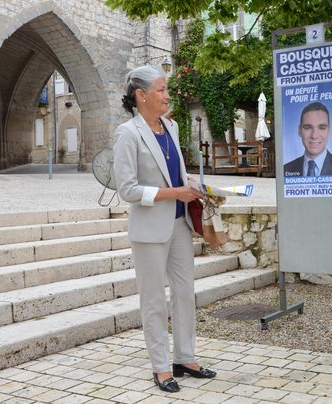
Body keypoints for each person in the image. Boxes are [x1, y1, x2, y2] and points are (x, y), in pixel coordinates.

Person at [112, 65, 217, 393]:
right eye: (160, 89)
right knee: (154, 300)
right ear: (141, 96)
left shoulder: (170, 127)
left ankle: (184, 357)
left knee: (185, 293)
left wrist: (189, 183)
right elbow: (126, 190)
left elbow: (173, 173)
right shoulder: (128, 134)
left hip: (179, 224)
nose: (167, 95)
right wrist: (175, 193)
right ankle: (160, 367)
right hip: (149, 230)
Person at [283, 102, 332, 177]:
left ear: (329, 131)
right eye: (308, 128)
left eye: (322, 128)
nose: (314, 136)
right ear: (299, 131)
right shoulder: (286, 170)